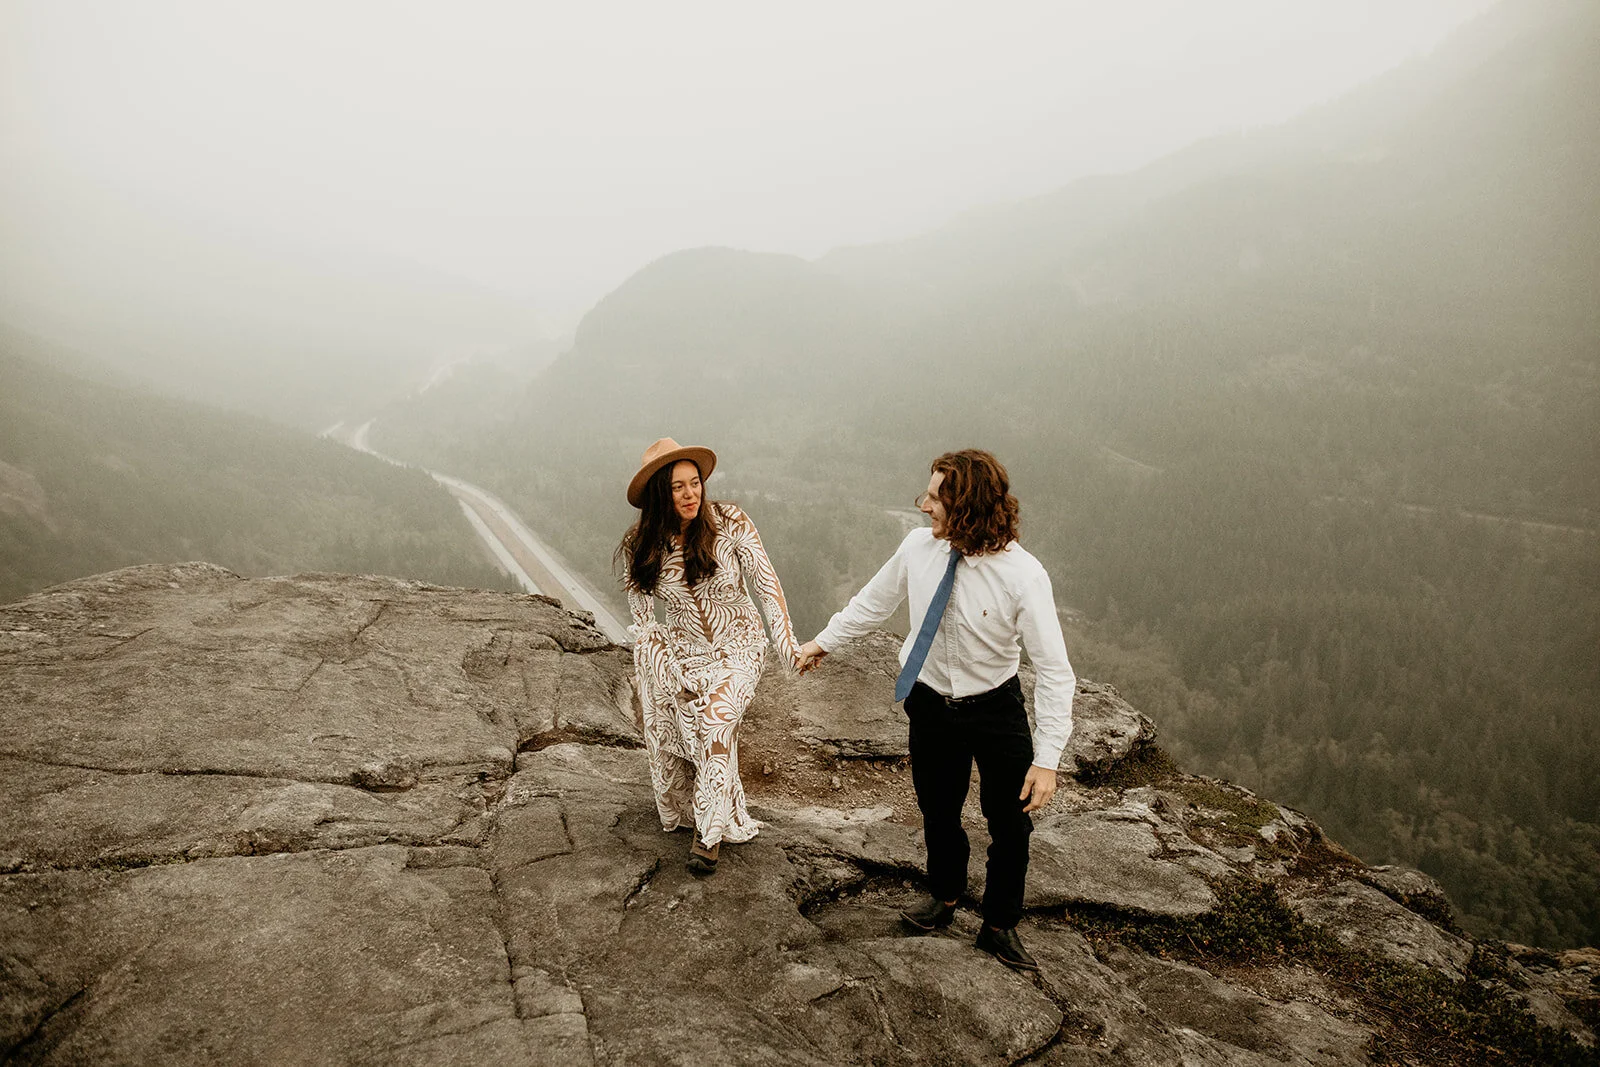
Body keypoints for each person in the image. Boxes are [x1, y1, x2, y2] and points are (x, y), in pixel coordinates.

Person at [798, 449, 1075, 971]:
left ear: (965, 507)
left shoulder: (1023, 576)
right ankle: (945, 895)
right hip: (929, 702)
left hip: (995, 708)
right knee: (939, 811)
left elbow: (1055, 670)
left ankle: (998, 924)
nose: (923, 506)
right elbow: (874, 601)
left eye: (934, 498)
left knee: (1009, 824)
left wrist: (1049, 758)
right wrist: (824, 642)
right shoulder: (917, 547)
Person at [618, 437, 803, 874]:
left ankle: (709, 832)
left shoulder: (731, 521)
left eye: (694, 482)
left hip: (740, 646)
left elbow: (766, 585)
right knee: (690, 723)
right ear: (661, 494)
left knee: (717, 719)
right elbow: (643, 621)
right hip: (685, 654)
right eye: (678, 487)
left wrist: (789, 648)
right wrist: (664, 667)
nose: (690, 494)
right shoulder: (641, 544)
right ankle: (704, 805)